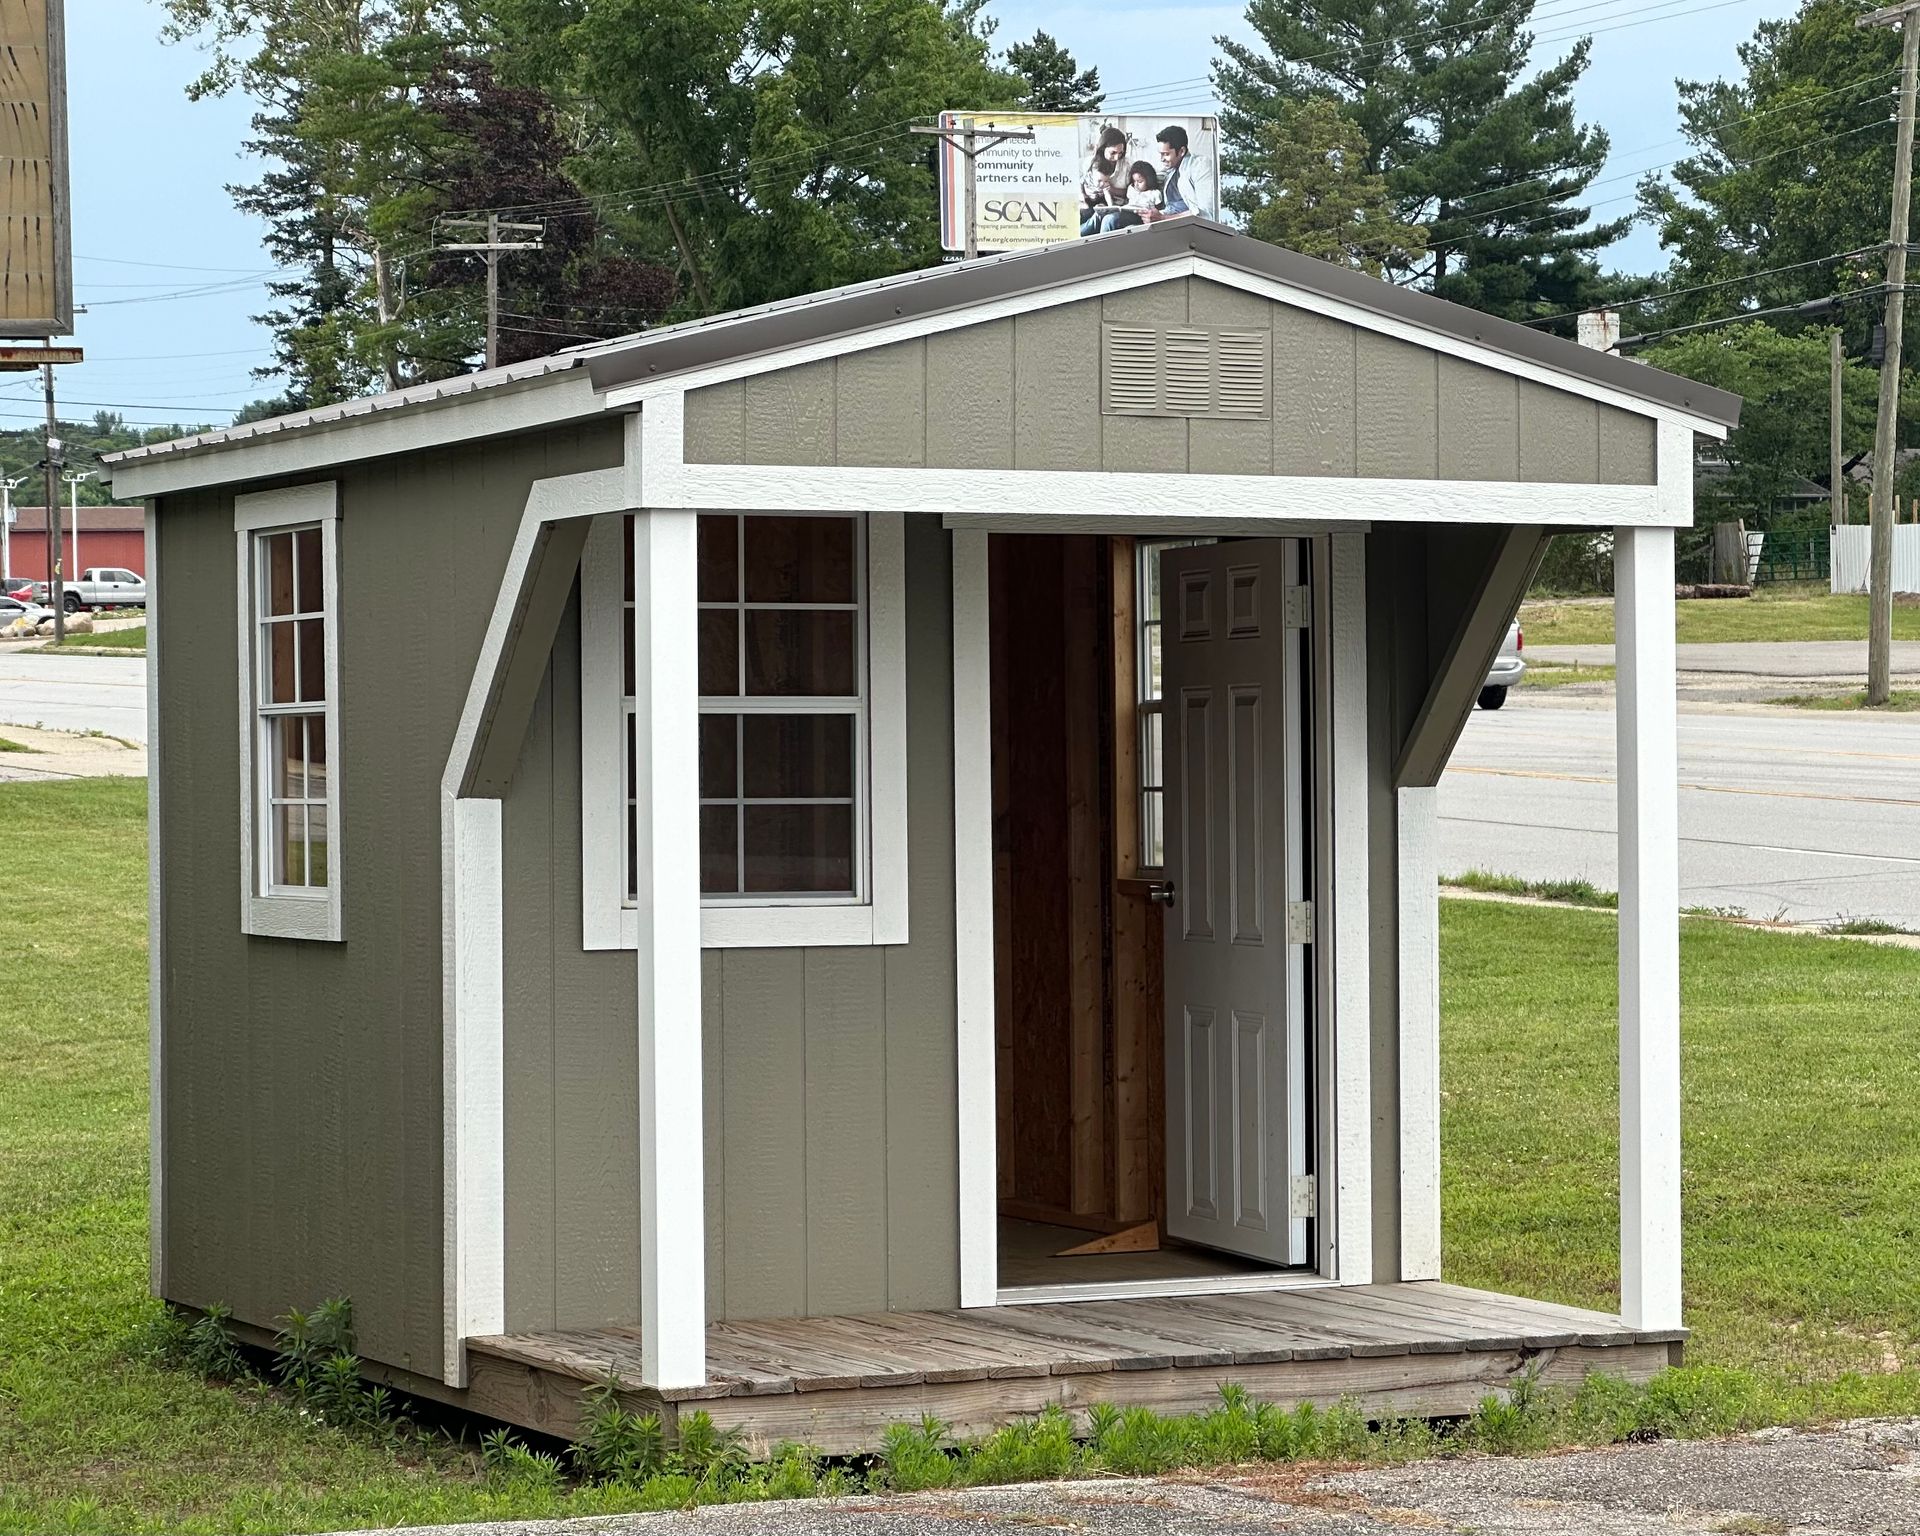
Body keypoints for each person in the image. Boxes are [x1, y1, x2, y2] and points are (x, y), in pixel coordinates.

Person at [1078, 126, 1129, 236]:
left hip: (1116, 206)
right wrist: (1085, 195)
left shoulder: (1127, 165)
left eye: (1120, 153)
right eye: (1113, 153)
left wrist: (1112, 190)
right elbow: (1081, 182)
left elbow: (1133, 192)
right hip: (1091, 203)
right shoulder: (1090, 162)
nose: (1117, 157)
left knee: (1101, 218)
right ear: (1102, 148)